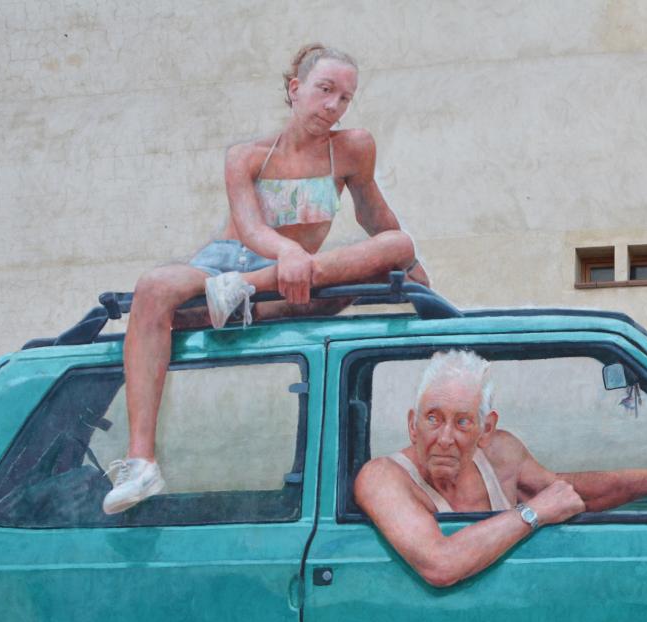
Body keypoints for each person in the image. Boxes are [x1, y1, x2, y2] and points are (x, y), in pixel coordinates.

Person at [104, 44, 428, 514]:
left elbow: (379, 221)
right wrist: (289, 251)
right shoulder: (247, 156)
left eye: (344, 98)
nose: (333, 106)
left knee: (399, 245)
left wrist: (424, 289)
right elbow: (252, 229)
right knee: (153, 286)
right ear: (296, 90)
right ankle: (141, 463)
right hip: (225, 271)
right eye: (325, 90)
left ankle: (247, 292)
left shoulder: (353, 149)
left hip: (278, 284)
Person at [353, 350, 647, 586]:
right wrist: (532, 514)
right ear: (411, 424)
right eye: (433, 418)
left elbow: (568, 494)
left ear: (486, 429)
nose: (446, 437)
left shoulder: (499, 453)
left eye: (463, 422)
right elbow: (440, 563)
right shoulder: (383, 478)